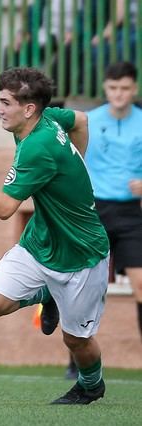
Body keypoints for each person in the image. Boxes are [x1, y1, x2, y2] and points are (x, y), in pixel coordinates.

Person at [0, 67, 110, 404]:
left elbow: (5, 208)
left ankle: (91, 386)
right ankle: (47, 294)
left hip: (81, 255)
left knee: (76, 341)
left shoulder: (37, 147)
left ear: (29, 108)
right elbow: (81, 120)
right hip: (40, 242)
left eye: (5, 103)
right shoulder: (47, 118)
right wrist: (75, 170)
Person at [85, 61, 142, 342]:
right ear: (105, 88)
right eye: (113, 87)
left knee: (141, 285)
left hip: (132, 214)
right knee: (85, 289)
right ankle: (78, 359)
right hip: (94, 211)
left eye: (125, 88)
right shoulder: (86, 121)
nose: (119, 93)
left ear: (135, 89)